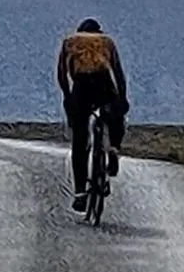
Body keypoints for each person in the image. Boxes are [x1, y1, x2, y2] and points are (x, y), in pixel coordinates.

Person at [55, 16, 129, 212]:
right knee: (114, 116)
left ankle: (80, 193)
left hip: (81, 86)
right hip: (103, 84)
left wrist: (67, 96)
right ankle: (113, 148)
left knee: (80, 140)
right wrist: (122, 99)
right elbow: (118, 74)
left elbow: (62, 74)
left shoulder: (69, 42)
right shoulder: (106, 42)